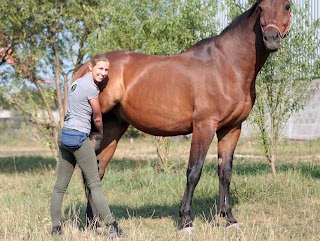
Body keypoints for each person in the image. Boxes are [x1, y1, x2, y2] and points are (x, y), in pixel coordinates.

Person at [50, 53, 123, 238]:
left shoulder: (75, 83)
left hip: (65, 136)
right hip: (79, 139)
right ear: (91, 67)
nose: (104, 73)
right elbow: (97, 116)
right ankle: (112, 226)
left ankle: (56, 227)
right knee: (95, 185)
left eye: (106, 70)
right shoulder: (91, 88)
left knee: (60, 187)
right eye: (100, 69)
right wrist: (99, 132)